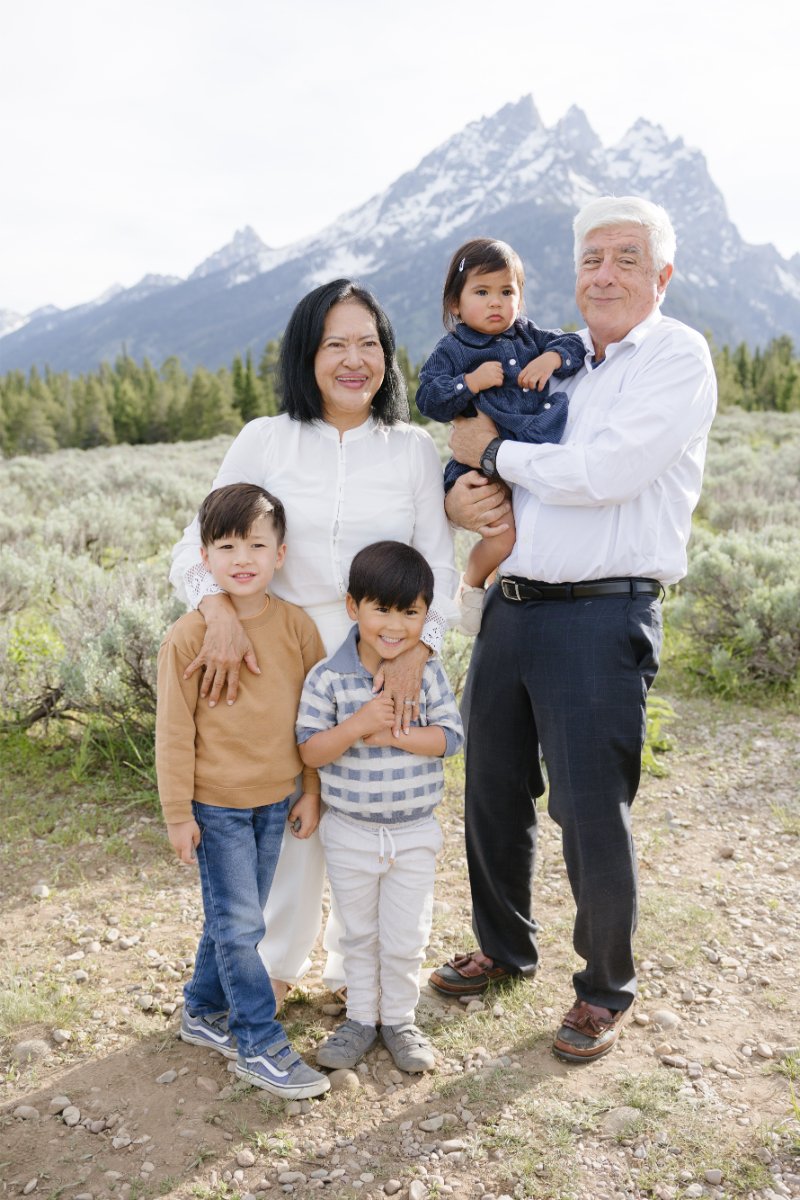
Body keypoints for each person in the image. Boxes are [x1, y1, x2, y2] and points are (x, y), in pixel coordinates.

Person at [428, 196, 717, 1064]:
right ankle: (506, 948)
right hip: (514, 607)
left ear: (661, 277)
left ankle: (603, 988)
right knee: (491, 793)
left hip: (602, 613)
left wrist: (490, 454)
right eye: (592, 258)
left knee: (590, 811)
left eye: (627, 258)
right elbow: (483, 465)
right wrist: (461, 491)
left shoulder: (675, 356)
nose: (605, 273)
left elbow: (604, 473)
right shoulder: (554, 354)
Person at [169, 280, 458, 1007]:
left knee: (376, 810)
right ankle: (276, 959)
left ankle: (365, 975)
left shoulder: (411, 450)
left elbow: (441, 567)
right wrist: (220, 610)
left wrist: (418, 654)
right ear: (308, 354)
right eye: (336, 344)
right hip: (278, 653)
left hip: (385, 654)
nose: (353, 359)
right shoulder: (265, 439)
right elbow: (193, 546)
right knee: (292, 809)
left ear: (389, 358)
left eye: (369, 343)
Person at [156, 482, 330, 1099]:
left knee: (235, 918)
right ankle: (257, 1041)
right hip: (216, 805)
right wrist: (179, 813)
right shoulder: (186, 637)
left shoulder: (297, 628)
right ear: (203, 558)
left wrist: (309, 790)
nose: (242, 557)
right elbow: (174, 734)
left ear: (280, 553)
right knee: (239, 924)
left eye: (256, 543)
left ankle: (202, 1011)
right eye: (226, 545)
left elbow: (313, 723)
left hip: (275, 800)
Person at [296, 542, 463, 1073]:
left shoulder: (428, 674)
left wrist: (395, 735)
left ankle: (401, 1020)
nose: (395, 626)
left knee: (405, 933)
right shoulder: (328, 677)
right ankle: (360, 1019)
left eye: (410, 613)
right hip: (350, 831)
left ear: (425, 616)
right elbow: (310, 749)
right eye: (381, 610)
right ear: (353, 608)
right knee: (357, 932)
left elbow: (451, 739)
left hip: (414, 831)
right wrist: (358, 725)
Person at [416, 238, 584, 633]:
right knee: (502, 535)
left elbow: (575, 342)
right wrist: (470, 382)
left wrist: (552, 357)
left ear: (520, 298)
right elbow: (429, 398)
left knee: (530, 532)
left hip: (528, 452)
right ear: (455, 304)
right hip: (479, 467)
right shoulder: (454, 349)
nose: (496, 302)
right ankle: (471, 585)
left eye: (507, 292)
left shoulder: (530, 337)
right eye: (482, 292)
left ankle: (498, 590)